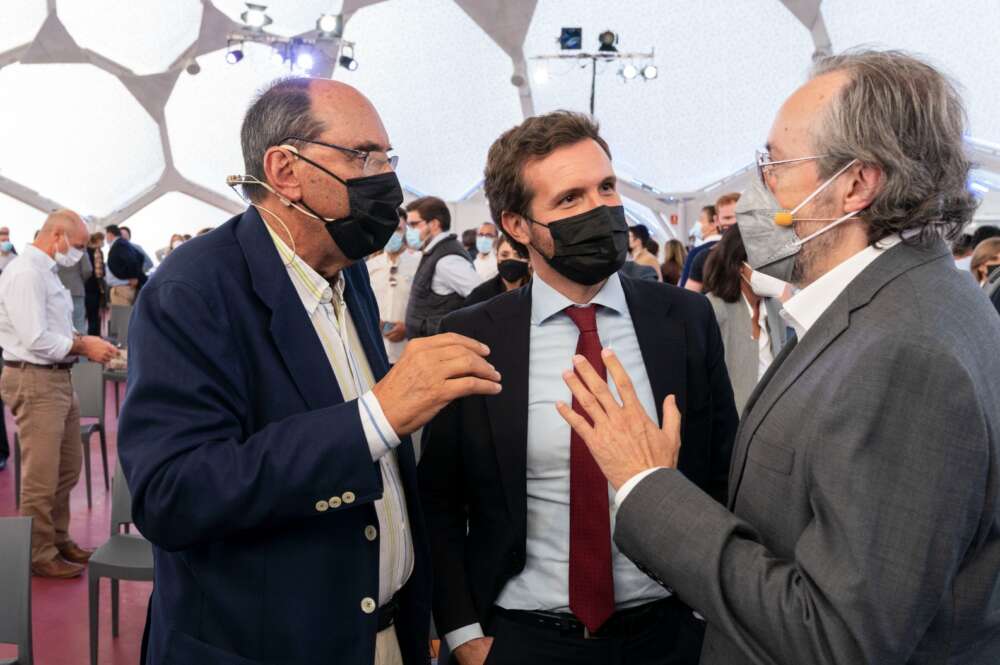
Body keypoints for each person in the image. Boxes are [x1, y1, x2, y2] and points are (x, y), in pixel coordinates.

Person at [560, 50, 1000, 665]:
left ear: (855, 184)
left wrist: (647, 484)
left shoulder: (905, 352)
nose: (758, 191)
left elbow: (835, 638)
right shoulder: (901, 303)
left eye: (775, 164)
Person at [118, 77, 502, 665]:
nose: (385, 178)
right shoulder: (192, 290)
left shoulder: (349, 277)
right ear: (285, 170)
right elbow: (173, 494)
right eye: (362, 156)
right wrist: (375, 417)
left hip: (383, 634)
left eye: (387, 158)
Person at [419, 110, 739, 665]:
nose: (601, 209)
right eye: (570, 199)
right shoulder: (472, 334)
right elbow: (441, 499)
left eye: (607, 187)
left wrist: (705, 616)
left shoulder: (685, 320)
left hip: (666, 637)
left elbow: (720, 470)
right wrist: (464, 634)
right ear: (518, 227)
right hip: (520, 639)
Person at [0, 210, 118, 577]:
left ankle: (58, 536)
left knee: (66, 468)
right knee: (41, 474)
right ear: (57, 237)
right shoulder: (25, 274)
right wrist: (83, 346)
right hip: (35, 379)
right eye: (79, 246)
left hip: (56, 377)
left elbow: (56, 327)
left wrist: (80, 345)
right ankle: (38, 552)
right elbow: (35, 338)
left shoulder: (46, 271)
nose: (80, 254)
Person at [702, 227, 788, 414]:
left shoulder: (775, 308)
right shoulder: (713, 309)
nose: (776, 270)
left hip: (769, 417)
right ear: (740, 266)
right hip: (731, 422)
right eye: (767, 262)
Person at [404, 196, 480, 338]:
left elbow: (481, 295)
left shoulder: (448, 260)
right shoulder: (435, 252)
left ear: (434, 224)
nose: (410, 231)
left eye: (414, 225)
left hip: (439, 347)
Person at [367, 208, 420, 365]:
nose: (391, 235)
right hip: (377, 349)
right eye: (387, 229)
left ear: (405, 231)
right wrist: (373, 321)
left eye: (397, 229)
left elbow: (425, 307)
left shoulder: (418, 266)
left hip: (408, 351)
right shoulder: (370, 267)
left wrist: (408, 327)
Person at [685, 193, 740, 292]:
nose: (734, 222)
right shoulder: (704, 257)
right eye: (727, 218)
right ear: (716, 220)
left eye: (739, 216)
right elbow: (688, 298)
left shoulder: (761, 254)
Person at [464, 233, 531, 306]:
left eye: (518, 255)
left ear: (529, 259)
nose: (511, 259)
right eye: (504, 255)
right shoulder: (480, 295)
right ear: (497, 257)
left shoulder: (536, 292)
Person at [104, 224, 145, 305]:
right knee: (123, 316)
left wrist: (133, 276)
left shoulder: (119, 244)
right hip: (122, 288)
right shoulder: (121, 244)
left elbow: (133, 260)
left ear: (110, 234)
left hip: (121, 290)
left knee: (122, 317)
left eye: (106, 235)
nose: (106, 238)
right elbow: (140, 256)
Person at [57, 243, 93, 333]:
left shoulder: (57, 247)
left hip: (59, 288)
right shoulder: (80, 249)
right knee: (78, 323)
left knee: (61, 323)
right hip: (76, 289)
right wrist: (80, 280)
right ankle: (81, 346)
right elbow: (87, 269)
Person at [678, 204, 718, 287]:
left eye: (701, 220)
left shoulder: (697, 253)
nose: (697, 224)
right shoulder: (731, 248)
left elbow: (684, 290)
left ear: (713, 223)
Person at [84, 232, 105, 336]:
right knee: (94, 317)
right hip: (94, 288)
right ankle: (94, 338)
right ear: (97, 241)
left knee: (84, 316)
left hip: (84, 287)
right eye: (102, 240)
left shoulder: (84, 251)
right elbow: (99, 273)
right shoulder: (97, 252)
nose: (103, 243)